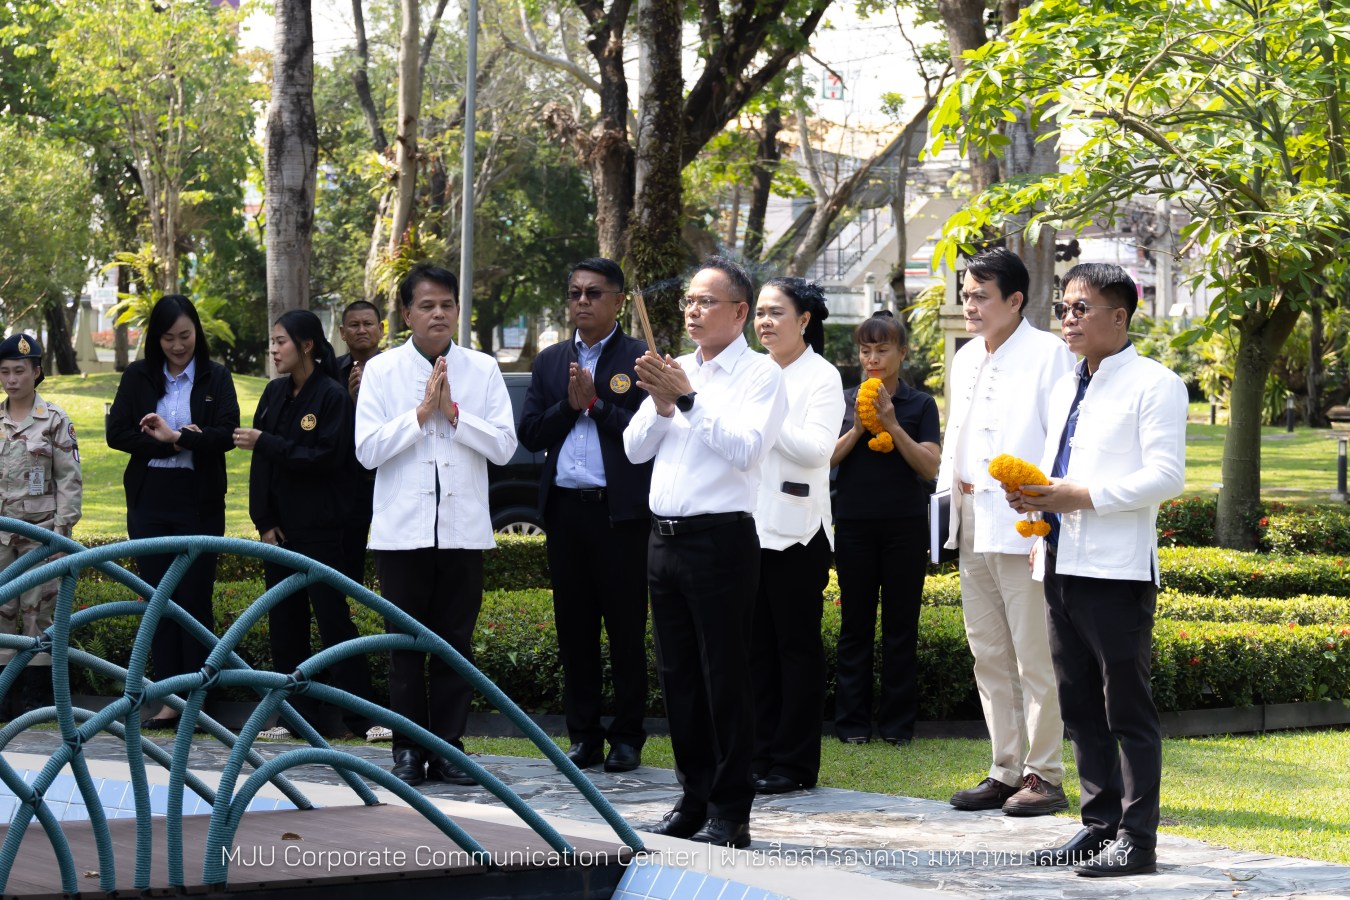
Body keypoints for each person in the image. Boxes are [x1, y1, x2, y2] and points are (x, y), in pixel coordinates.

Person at [1007, 263, 1187, 877]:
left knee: (1126, 710)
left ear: (1120, 316)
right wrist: (1035, 493)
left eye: (1081, 308)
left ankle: (1137, 840)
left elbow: (1167, 476)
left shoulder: (1156, 384)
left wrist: (1079, 495)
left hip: (1116, 570)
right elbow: (1057, 465)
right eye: (1063, 307)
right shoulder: (1066, 384)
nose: (1068, 318)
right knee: (1078, 704)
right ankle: (1096, 824)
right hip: (1058, 560)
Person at [624, 256, 787, 849]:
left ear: (739, 312)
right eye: (688, 301)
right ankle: (692, 798)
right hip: (662, 540)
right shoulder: (676, 371)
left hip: (720, 542)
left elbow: (746, 450)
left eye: (706, 302)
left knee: (724, 677)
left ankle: (730, 809)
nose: (692, 310)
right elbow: (635, 449)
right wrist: (664, 403)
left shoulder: (762, 375)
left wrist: (689, 401)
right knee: (678, 678)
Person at [354, 263, 517, 787]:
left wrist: (455, 415)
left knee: (454, 644)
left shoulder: (483, 368)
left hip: (463, 530)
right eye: (427, 305)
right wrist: (421, 413)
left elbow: (505, 446)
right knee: (404, 647)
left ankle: (449, 749)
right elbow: (366, 451)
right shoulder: (381, 371)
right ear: (406, 313)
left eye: (447, 304)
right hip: (402, 531)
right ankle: (406, 751)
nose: (439, 314)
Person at [937, 248, 1075, 816]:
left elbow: (1061, 441)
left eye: (980, 296)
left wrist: (1046, 513)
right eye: (966, 294)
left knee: (1033, 654)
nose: (969, 304)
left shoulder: (1050, 355)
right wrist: (945, 508)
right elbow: (955, 438)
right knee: (987, 652)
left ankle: (1044, 774)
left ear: (1015, 300)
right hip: (970, 518)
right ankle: (1004, 768)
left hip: (1023, 522)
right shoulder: (966, 356)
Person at [517, 257, 653, 773]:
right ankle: (584, 736)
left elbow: (647, 438)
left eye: (594, 293)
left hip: (620, 517)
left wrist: (595, 406)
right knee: (573, 629)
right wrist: (570, 408)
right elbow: (530, 434)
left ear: (618, 300)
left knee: (624, 630)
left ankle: (627, 737)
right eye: (574, 293)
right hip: (566, 514)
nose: (581, 302)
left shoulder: (640, 358)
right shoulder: (551, 361)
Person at [233, 310, 378, 741]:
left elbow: (325, 460)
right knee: (285, 622)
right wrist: (265, 520)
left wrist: (268, 442)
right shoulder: (274, 393)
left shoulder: (332, 396)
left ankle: (364, 717)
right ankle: (294, 717)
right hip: (281, 531)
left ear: (307, 345)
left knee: (334, 621)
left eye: (281, 341)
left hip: (322, 529)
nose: (275, 350)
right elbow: (262, 466)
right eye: (272, 342)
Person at [106, 294, 239, 730]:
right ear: (155, 339)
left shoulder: (216, 378)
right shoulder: (138, 376)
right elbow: (117, 433)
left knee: (195, 598)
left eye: (185, 336)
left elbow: (224, 435)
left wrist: (178, 436)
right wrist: (171, 440)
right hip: (150, 498)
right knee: (158, 599)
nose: (178, 345)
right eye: (168, 338)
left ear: (197, 333)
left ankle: (198, 699)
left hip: (197, 498)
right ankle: (166, 699)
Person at [747, 278, 843, 795]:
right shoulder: (752, 371)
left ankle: (794, 764)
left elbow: (815, 451)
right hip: (746, 530)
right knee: (755, 650)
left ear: (804, 320)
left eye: (775, 313)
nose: (765, 322)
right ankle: (759, 753)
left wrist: (766, 415)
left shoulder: (821, 376)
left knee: (796, 650)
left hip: (798, 534)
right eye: (759, 312)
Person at [829, 311, 939, 747]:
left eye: (882, 349)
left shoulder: (920, 405)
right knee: (854, 626)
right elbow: (824, 460)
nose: (872, 358)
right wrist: (858, 427)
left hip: (906, 527)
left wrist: (892, 423)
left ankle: (897, 725)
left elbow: (931, 466)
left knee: (900, 628)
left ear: (901, 353)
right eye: (866, 349)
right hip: (853, 526)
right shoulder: (844, 399)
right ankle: (852, 724)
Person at [0, 334, 82, 714]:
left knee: (37, 613)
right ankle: (4, 697)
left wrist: (61, 533)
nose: (12, 379)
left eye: (19, 371)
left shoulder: (53, 420)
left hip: (40, 535)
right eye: (4, 372)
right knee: (2, 612)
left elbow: (68, 479)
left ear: (36, 372)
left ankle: (36, 699)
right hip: (1, 536)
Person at [334, 300, 384, 654]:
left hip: (388, 482)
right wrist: (353, 403)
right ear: (342, 333)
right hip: (346, 488)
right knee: (345, 571)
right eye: (354, 325)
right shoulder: (330, 374)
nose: (362, 330)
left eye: (369, 323)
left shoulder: (395, 368)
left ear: (381, 329)